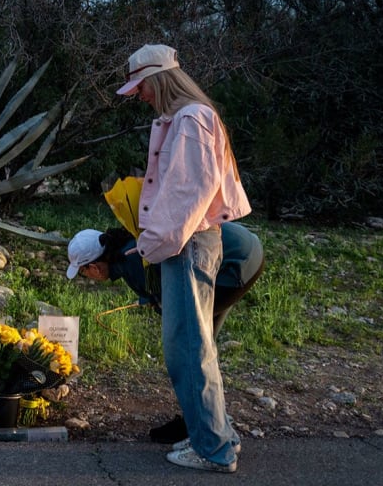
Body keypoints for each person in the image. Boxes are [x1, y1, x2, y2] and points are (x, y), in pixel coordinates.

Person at [112, 43, 251, 473]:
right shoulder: (193, 117)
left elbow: (187, 194)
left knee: (187, 348)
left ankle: (213, 449)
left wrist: (151, 244)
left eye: (143, 88)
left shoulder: (190, 120)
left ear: (158, 79)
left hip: (186, 243)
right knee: (195, 345)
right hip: (192, 241)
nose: (143, 96)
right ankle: (218, 434)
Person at [66, 222, 265, 443]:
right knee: (201, 345)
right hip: (243, 249)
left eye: (84, 273)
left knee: (189, 348)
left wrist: (157, 305)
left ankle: (202, 432)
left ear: (94, 267)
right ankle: (209, 421)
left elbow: (171, 305)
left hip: (233, 264)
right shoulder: (130, 246)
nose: (88, 277)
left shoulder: (131, 261)